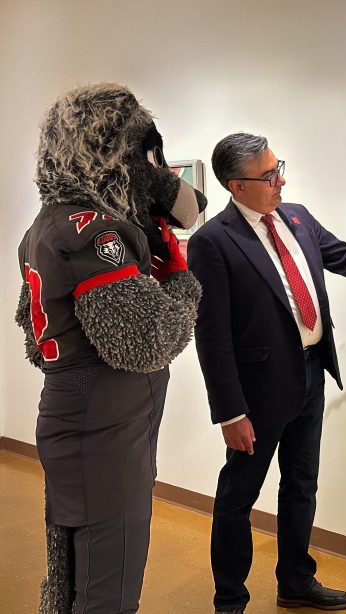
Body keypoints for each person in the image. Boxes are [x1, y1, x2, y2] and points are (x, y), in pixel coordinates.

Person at [187, 132, 346, 613]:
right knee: (237, 498)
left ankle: (295, 582)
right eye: (269, 175)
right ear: (236, 186)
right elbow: (213, 335)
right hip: (256, 393)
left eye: (278, 168)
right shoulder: (212, 242)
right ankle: (230, 601)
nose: (280, 180)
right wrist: (230, 412)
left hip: (310, 374)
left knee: (301, 485)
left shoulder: (298, 218)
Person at [15, 84, 206, 613]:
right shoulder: (94, 232)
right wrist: (181, 281)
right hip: (104, 424)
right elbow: (145, 341)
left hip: (81, 413)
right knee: (108, 587)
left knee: (70, 575)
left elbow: (34, 339)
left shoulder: (47, 223)